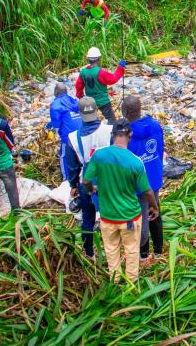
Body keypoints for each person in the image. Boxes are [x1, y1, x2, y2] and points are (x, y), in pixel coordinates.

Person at [83, 119, 159, 283]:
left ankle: (115, 282)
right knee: (132, 251)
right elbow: (146, 191)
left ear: (112, 135)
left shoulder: (99, 156)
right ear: (130, 135)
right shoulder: (135, 162)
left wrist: (92, 190)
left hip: (108, 216)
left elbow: (85, 180)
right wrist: (154, 207)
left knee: (111, 251)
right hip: (129, 217)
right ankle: (131, 284)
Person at [66, 97, 114, 257]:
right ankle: (111, 251)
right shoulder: (109, 131)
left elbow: (72, 167)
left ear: (79, 114)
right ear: (97, 111)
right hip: (108, 181)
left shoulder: (73, 138)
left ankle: (89, 252)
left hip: (85, 183)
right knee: (110, 218)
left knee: (87, 218)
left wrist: (73, 185)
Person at [122, 96, 165, 260]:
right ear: (140, 109)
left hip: (137, 184)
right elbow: (160, 149)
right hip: (153, 177)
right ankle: (159, 251)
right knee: (155, 211)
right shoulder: (154, 125)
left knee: (141, 219)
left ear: (125, 111)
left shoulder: (125, 134)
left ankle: (144, 255)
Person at [75, 47, 125, 123]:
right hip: (103, 101)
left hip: (90, 101)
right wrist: (120, 67)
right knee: (111, 119)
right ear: (98, 58)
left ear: (88, 59)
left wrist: (80, 97)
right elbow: (113, 79)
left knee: (91, 121)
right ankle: (111, 134)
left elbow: (78, 86)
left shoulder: (83, 72)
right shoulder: (101, 72)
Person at [48, 84, 83, 180]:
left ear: (55, 93)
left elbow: (56, 124)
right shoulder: (74, 101)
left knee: (64, 156)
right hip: (81, 132)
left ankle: (66, 179)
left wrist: (55, 130)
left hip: (68, 136)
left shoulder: (55, 104)